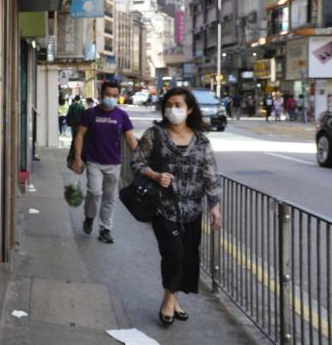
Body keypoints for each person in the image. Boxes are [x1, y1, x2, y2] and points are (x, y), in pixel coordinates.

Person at [131, 87, 222, 326]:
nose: (173, 109)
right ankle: (168, 301)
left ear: (190, 108)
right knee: (174, 254)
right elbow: (136, 162)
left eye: (179, 105)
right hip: (163, 207)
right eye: (169, 105)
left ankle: (173, 299)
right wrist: (154, 174)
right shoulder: (155, 134)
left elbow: (210, 174)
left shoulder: (202, 140)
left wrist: (214, 206)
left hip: (193, 210)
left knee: (187, 257)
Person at [69, 80, 138, 244]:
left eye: (115, 95)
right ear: (101, 95)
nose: (111, 98)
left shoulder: (122, 116)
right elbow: (80, 135)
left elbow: (130, 138)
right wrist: (78, 158)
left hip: (114, 163)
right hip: (94, 161)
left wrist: (142, 155)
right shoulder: (90, 114)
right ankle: (89, 216)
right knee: (94, 192)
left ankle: (105, 229)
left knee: (110, 198)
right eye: (108, 95)